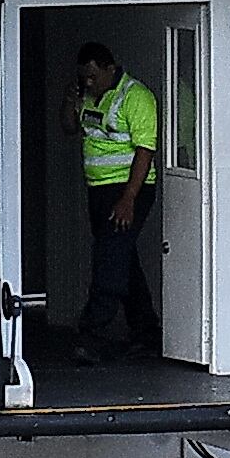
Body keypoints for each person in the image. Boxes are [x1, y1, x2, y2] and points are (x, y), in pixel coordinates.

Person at [72, 41, 164, 363]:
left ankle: (92, 336)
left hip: (128, 192)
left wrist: (128, 199)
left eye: (93, 77)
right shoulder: (86, 94)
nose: (88, 83)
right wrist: (69, 102)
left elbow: (145, 150)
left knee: (109, 261)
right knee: (123, 258)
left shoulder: (136, 96)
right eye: (84, 77)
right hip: (99, 191)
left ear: (110, 68)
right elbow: (71, 128)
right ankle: (146, 331)